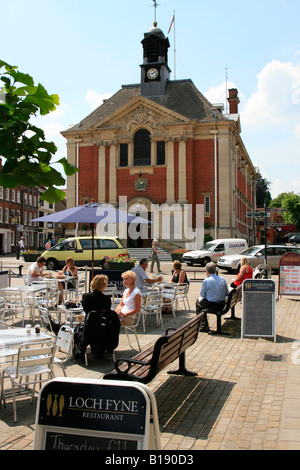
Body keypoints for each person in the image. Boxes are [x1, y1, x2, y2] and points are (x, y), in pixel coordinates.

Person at [196, 262, 229, 332]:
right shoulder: (223, 279)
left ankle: (203, 325)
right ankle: (203, 324)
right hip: (222, 305)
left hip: (212, 305)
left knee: (198, 302)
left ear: (207, 271)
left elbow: (202, 295)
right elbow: (227, 293)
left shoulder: (206, 281)